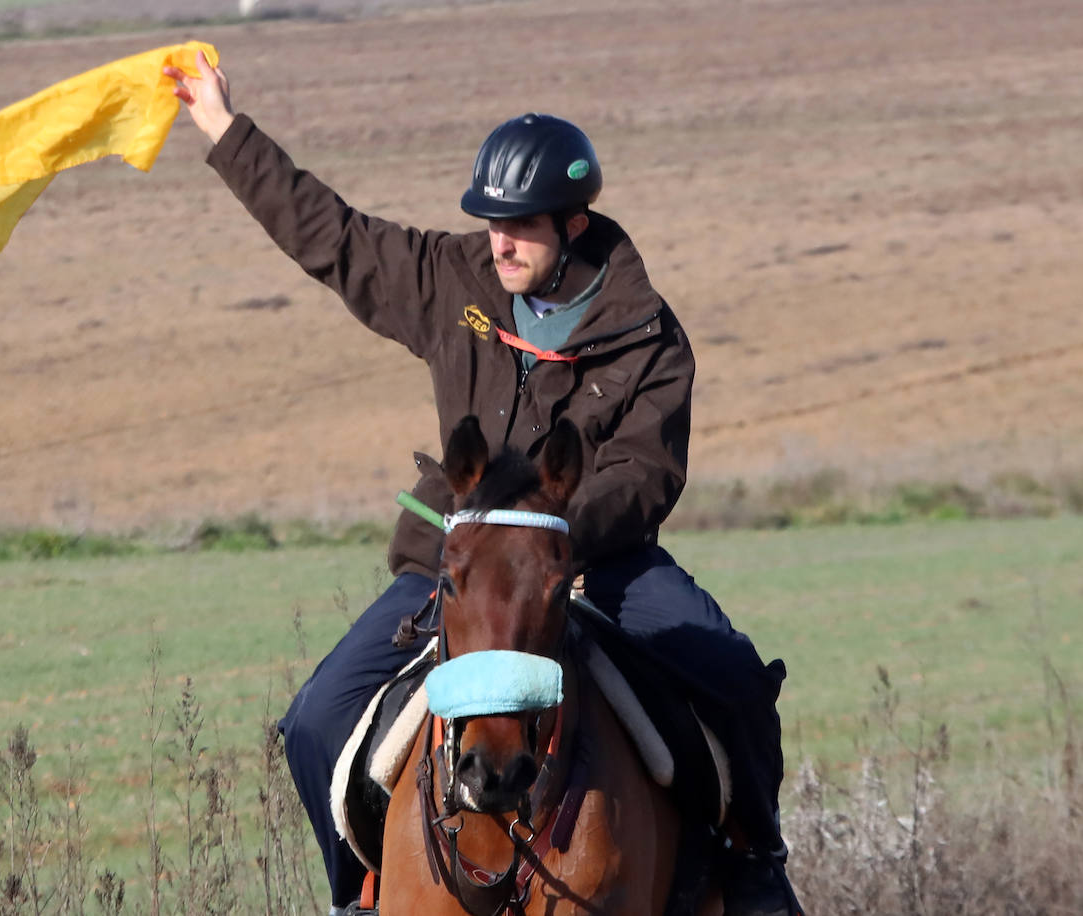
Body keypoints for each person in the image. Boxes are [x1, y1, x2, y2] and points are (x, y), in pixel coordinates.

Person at [166, 51, 799, 916]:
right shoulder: (449, 281)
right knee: (316, 720)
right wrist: (223, 129)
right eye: (491, 222)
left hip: (596, 556)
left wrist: (559, 534)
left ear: (573, 224)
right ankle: (356, 896)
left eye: (522, 226)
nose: (499, 242)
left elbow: (648, 474)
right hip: (458, 563)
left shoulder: (649, 336)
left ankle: (757, 863)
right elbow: (334, 237)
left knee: (731, 677)